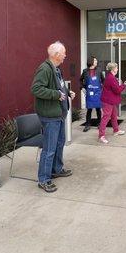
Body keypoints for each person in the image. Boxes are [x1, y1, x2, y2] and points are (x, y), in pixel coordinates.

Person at [31, 41, 76, 193]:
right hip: (50, 116)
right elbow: (36, 89)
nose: (65, 55)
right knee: (49, 149)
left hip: (59, 114)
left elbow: (60, 86)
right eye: (63, 53)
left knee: (59, 144)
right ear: (56, 55)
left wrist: (68, 92)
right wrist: (56, 95)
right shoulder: (44, 69)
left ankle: (56, 169)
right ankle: (44, 179)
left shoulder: (56, 69)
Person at [98, 62, 126, 144]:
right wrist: (124, 85)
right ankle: (101, 136)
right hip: (108, 101)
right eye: (117, 68)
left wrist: (118, 82)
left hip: (111, 101)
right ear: (113, 69)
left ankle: (116, 130)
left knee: (114, 116)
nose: (117, 69)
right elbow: (117, 90)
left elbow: (113, 88)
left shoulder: (111, 77)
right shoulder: (111, 78)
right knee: (106, 118)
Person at [80, 56, 104, 132]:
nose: (96, 62)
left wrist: (104, 89)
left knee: (98, 109)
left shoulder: (99, 71)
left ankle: (99, 124)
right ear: (91, 62)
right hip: (89, 93)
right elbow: (80, 80)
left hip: (97, 92)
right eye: (95, 60)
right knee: (89, 109)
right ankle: (87, 125)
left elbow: (103, 81)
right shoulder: (85, 71)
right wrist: (82, 87)